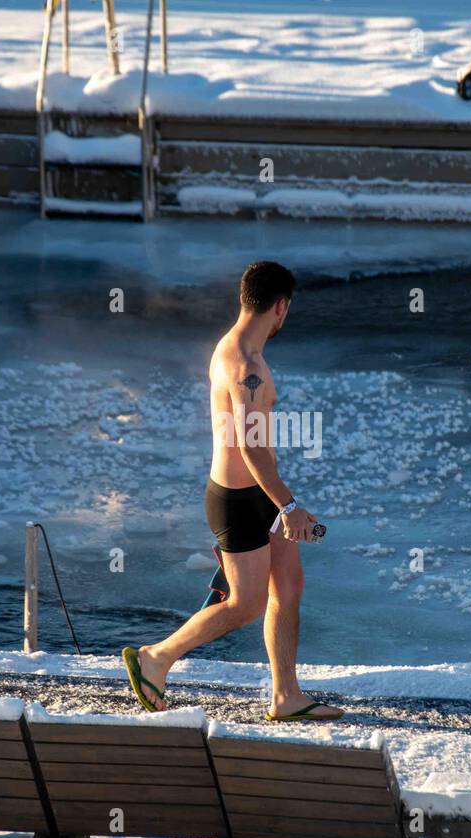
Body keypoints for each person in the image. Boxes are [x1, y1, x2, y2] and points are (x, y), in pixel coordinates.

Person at [122, 261, 341, 722]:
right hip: (240, 502)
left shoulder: (238, 349)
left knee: (288, 586)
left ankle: (286, 696)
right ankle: (156, 658)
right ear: (281, 306)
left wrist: (281, 500)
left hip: (259, 494)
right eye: (287, 310)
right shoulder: (245, 363)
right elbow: (250, 446)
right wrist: (290, 505)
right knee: (246, 603)